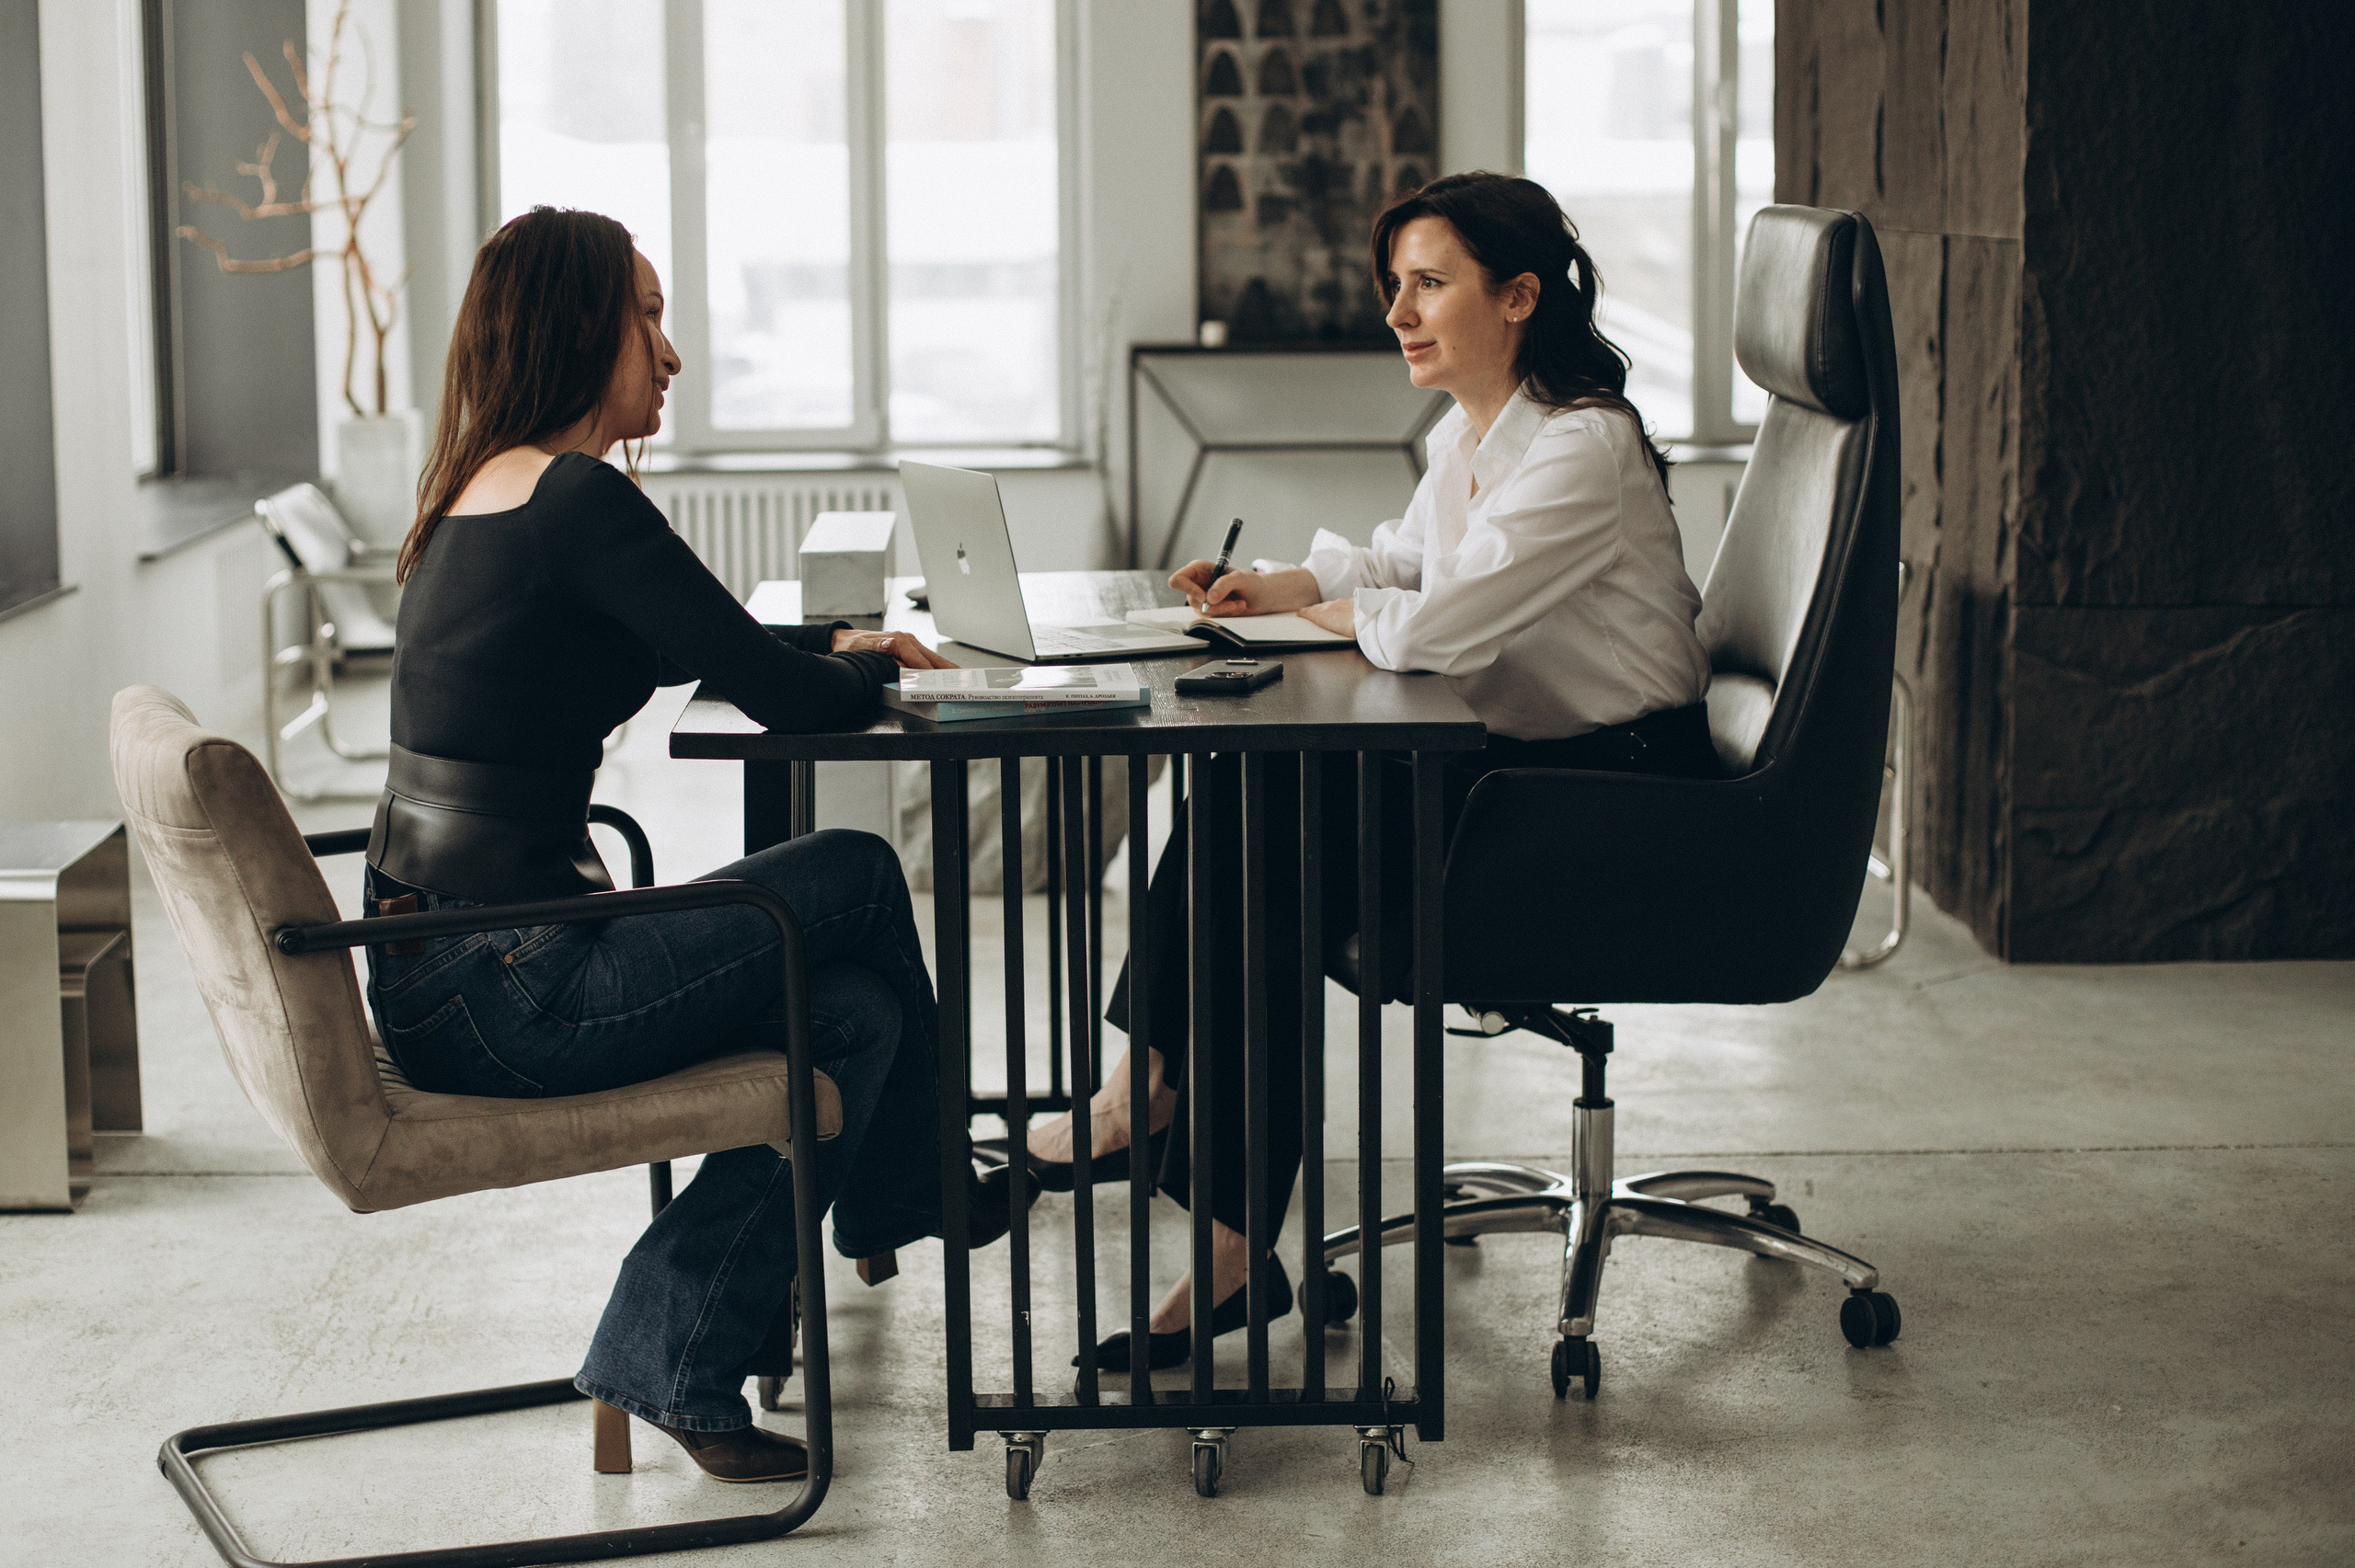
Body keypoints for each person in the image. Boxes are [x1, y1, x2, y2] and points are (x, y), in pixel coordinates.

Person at [362, 206, 1028, 1482]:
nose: (671, 353)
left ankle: (672, 1352)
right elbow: (780, 695)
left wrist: (829, 654)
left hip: (451, 966)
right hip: (517, 979)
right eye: (647, 317)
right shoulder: (574, 498)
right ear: (574, 326)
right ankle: (915, 1187)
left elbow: (688, 643)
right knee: (856, 870)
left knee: (850, 1016)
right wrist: (862, 670)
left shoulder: (483, 487)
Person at [1028, 171, 1719, 1368]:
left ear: (1518, 296)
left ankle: (1180, 1148)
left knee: (1275, 815)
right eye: (1393, 284)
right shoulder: (1475, 430)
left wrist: (1350, 611)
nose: (1399, 311)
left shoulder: (1582, 448)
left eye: (1430, 284)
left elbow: (1437, 625)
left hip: (1615, 799)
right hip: (1517, 764)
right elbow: (1404, 559)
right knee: (1249, 783)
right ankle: (1164, 1118)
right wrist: (1289, 588)